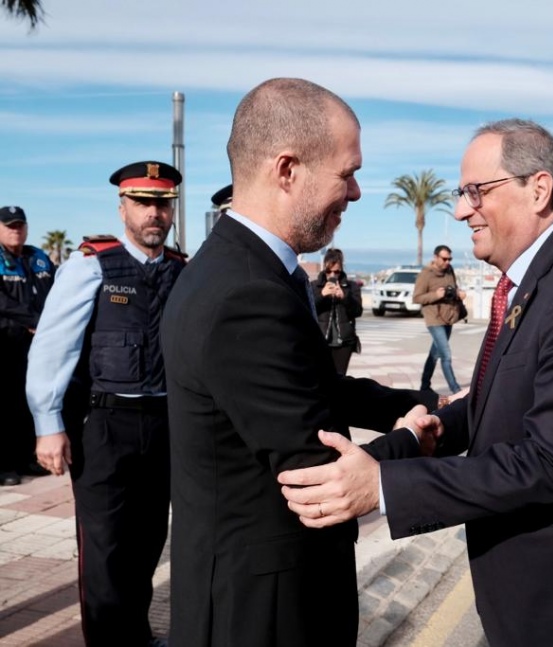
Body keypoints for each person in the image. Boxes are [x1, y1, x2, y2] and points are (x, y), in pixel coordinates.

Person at [279, 119, 553, 646]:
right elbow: (492, 403)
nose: (462, 211)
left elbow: (550, 461)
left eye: (475, 192)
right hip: (525, 587)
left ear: (538, 189)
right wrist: (426, 430)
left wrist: (383, 487)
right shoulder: (534, 282)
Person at [159, 78, 438, 647]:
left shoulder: (249, 268)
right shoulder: (244, 293)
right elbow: (319, 477)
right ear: (287, 170)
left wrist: (422, 404)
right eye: (347, 172)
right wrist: (412, 438)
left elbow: (311, 388)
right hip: (262, 608)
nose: (356, 192)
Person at [26, 161, 185, 647]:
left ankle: (134, 636)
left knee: (147, 541)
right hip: (105, 426)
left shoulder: (181, 271)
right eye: (142, 203)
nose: (153, 214)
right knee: (105, 547)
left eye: (162, 204)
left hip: (164, 425)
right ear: (123, 209)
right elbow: (54, 347)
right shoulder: (91, 265)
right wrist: (48, 424)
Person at [0, 205, 54, 486]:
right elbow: (4, 303)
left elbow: (58, 291)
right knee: (4, 405)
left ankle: (25, 458)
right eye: (9, 225)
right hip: (5, 345)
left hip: (36, 346)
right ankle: (4, 465)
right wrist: (34, 320)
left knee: (28, 403)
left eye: (19, 225)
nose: (15, 230)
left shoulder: (39, 258)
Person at [413, 244, 465, 394]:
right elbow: (417, 298)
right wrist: (436, 295)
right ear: (435, 258)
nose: (447, 262)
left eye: (450, 259)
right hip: (434, 319)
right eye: (444, 259)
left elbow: (453, 289)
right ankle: (455, 389)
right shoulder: (426, 274)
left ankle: (424, 386)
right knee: (446, 355)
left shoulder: (450, 271)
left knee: (435, 354)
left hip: (449, 317)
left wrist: (458, 293)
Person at [313, 247, 362, 375]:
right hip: (320, 341)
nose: (332, 275)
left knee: (339, 378)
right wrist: (322, 295)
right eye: (329, 271)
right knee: (321, 377)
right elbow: (306, 309)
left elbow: (357, 311)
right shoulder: (314, 286)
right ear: (324, 269)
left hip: (344, 342)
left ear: (341, 270)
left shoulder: (351, 287)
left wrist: (344, 297)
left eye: (337, 272)